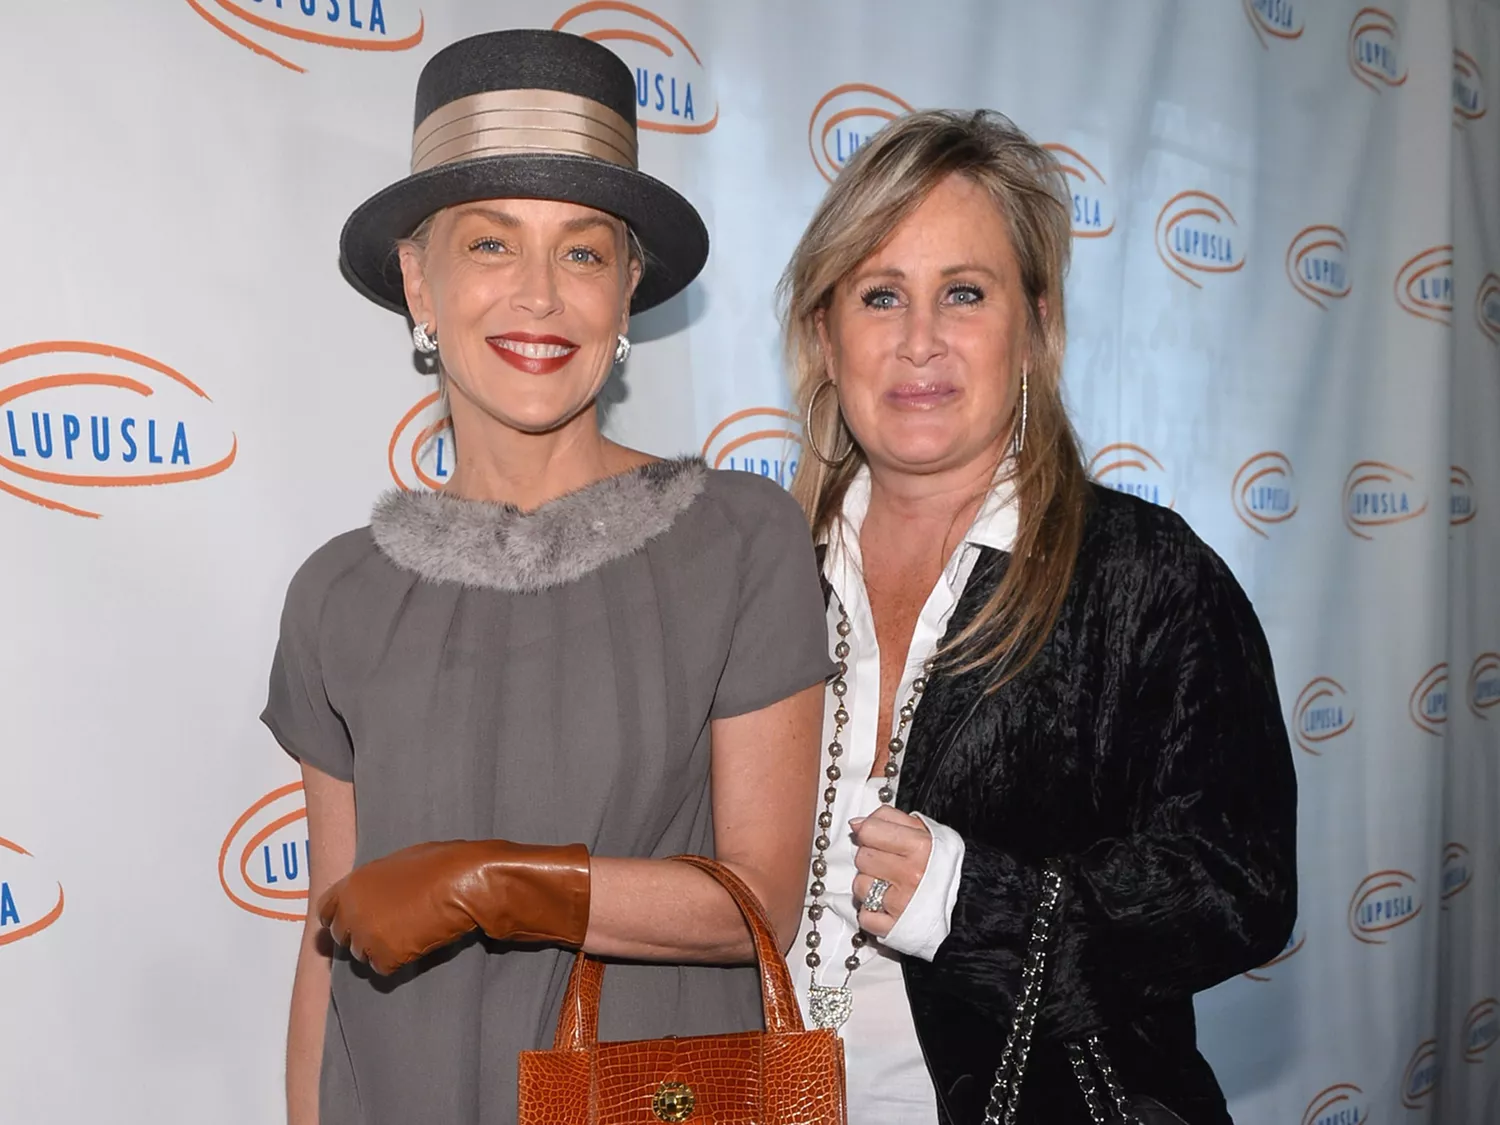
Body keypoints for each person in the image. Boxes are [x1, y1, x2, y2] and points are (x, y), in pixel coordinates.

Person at [260, 29, 830, 1125]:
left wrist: (491, 883)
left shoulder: (742, 541)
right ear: (417, 282)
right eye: (488, 246)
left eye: (581, 252)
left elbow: (755, 900)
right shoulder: (335, 595)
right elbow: (325, 944)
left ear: (627, 291)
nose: (538, 296)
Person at [778, 109, 1297, 1124]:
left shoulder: (1145, 575)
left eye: (963, 293)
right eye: (880, 295)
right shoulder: (759, 575)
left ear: (1036, 328)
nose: (919, 339)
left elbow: (1241, 885)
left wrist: (975, 906)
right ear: (825, 338)